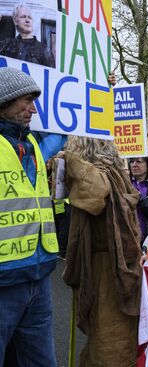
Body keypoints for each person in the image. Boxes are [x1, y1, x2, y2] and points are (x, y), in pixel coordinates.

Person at [0, 67, 65, 366]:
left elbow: (62, 130)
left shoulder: (33, 148)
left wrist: (100, 91)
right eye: (26, 101)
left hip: (39, 279)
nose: (33, 109)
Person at [62, 136, 143, 366]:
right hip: (111, 265)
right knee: (107, 335)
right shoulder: (116, 173)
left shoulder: (101, 175)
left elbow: (96, 195)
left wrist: (69, 161)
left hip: (107, 269)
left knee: (109, 340)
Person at [0, 3, 55, 67]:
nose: (27, 20)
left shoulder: (44, 50)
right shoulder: (6, 44)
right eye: (23, 17)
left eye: (30, 17)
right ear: (15, 21)